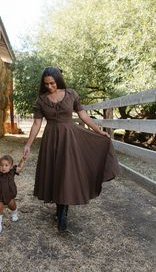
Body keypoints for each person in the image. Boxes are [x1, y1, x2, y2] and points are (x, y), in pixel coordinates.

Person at [23, 66, 119, 232]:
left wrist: (98, 130)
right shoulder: (41, 100)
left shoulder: (72, 94)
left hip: (70, 137)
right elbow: (37, 124)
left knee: (67, 172)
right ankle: (60, 210)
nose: (50, 87)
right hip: (51, 139)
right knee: (56, 172)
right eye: (46, 84)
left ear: (58, 80)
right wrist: (28, 144)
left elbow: (83, 115)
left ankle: (62, 213)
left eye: (52, 83)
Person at [0, 154, 25, 234]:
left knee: (13, 206)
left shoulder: (12, 172)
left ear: (10, 166)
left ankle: (14, 213)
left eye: (6, 165)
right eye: (1, 165)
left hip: (9, 196)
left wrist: (23, 160)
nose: (3, 167)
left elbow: (19, 168)